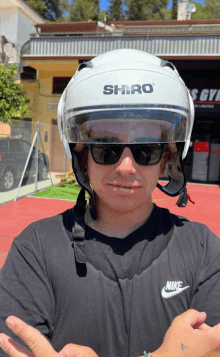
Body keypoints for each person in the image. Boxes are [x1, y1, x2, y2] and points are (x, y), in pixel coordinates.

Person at [1, 49, 220, 357]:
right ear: (82, 156)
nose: (126, 167)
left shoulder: (204, 252)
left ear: (167, 161)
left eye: (146, 150)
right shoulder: (35, 249)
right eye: (106, 148)